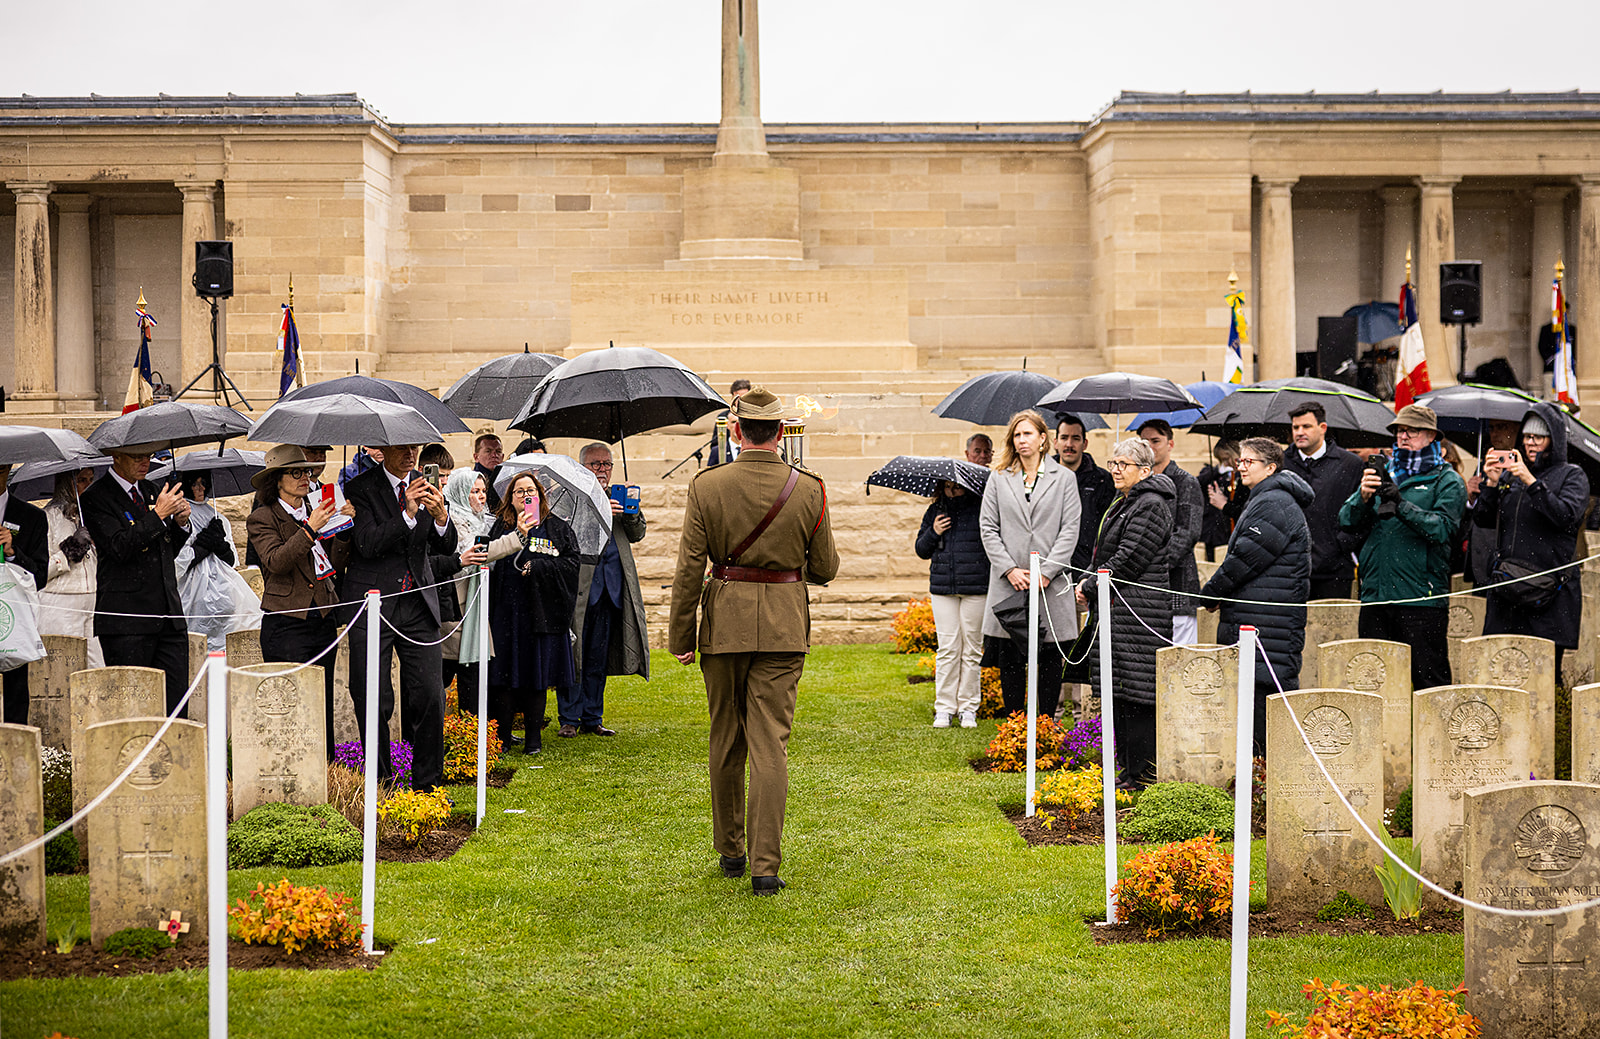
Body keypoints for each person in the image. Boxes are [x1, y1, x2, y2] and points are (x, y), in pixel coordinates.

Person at [668, 387, 838, 896]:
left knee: (726, 739)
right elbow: (825, 568)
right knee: (770, 746)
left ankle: (731, 851)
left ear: (736, 430)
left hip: (725, 624)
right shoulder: (809, 487)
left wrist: (681, 634)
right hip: (784, 626)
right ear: (781, 432)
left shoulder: (708, 485)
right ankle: (765, 866)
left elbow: (688, 568)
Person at [342, 442, 458, 791]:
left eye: (415, 447)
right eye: (403, 447)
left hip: (417, 603)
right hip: (372, 604)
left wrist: (441, 517)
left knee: (430, 694)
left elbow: (445, 545)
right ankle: (380, 784)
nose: (411, 454)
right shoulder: (360, 488)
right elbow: (367, 543)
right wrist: (407, 513)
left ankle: (427, 786)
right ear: (383, 448)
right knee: (373, 696)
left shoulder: (427, 484)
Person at [1338, 404, 1467, 692]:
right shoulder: (1383, 472)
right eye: (1399, 431)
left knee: (1429, 684)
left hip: (1421, 599)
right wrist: (1362, 496)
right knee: (1374, 685)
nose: (1403, 436)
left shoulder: (1447, 480)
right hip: (1376, 596)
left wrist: (1401, 505)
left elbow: (1442, 529)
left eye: (1412, 431)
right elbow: (1346, 520)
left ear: (1432, 436)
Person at [1197, 438, 1312, 751]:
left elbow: (1245, 558)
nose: (1241, 466)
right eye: (1241, 460)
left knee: (1263, 707)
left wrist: (1211, 594)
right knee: (1255, 702)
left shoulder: (1274, 502)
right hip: (1260, 617)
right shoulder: (1265, 497)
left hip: (1268, 623)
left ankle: (1263, 774)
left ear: (1270, 467)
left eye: (1250, 461)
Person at [1074, 438, 1175, 787]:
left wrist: (1090, 585)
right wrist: (1088, 579)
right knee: (1119, 692)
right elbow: (1102, 553)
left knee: (1138, 695)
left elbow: (1130, 558)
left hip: (1139, 613)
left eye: (1123, 464)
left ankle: (1143, 773)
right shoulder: (1124, 501)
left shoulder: (1151, 504)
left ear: (1144, 471)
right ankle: (1127, 770)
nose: (1115, 470)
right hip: (1118, 610)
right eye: (1113, 463)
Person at [248, 446, 352, 760]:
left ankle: (327, 770)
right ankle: (290, 769)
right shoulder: (262, 517)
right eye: (296, 472)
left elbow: (333, 563)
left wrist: (343, 529)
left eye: (306, 471)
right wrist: (310, 529)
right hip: (286, 622)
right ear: (277, 480)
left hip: (322, 617)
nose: (305, 477)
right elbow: (276, 561)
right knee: (290, 704)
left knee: (322, 700)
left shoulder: (316, 507)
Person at [1473, 404, 1591, 674]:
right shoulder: (1509, 475)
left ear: (1554, 439)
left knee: (1542, 676)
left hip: (1548, 592)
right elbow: (1483, 520)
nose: (1530, 443)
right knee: (1500, 671)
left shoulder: (1572, 475)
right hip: (1507, 589)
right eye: (1527, 436)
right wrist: (1491, 484)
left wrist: (1531, 482)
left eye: (1539, 437)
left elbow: (1566, 517)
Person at [978, 410, 1081, 720]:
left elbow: (1070, 529)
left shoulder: (1065, 478)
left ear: (1042, 439)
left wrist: (1046, 572)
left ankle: (1046, 725)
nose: (1022, 440)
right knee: (1010, 657)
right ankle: (1015, 726)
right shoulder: (999, 478)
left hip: (1050, 583)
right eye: (1017, 435)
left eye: (1028, 434)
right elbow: (988, 527)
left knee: (1049, 657)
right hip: (1009, 582)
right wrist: (1009, 569)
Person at [80, 446, 193, 716]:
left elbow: (164, 552)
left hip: (168, 616)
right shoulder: (96, 497)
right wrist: (158, 516)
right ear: (116, 456)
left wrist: (180, 524)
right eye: (136, 456)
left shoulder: (153, 491)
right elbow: (118, 547)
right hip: (127, 620)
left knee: (176, 706)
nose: (145, 462)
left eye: (148, 456)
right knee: (133, 711)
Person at [486, 472, 579, 756]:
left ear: (540, 495)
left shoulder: (557, 528)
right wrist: (518, 535)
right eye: (519, 491)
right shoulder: (501, 526)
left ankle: (533, 740)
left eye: (531, 491)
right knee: (504, 676)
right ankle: (502, 737)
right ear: (510, 498)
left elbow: (571, 564)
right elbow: (488, 558)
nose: (525, 496)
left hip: (542, 614)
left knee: (536, 677)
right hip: (506, 613)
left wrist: (539, 568)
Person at [568, 442, 649, 738]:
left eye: (607, 464)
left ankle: (593, 717)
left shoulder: (619, 496)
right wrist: (599, 511)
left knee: (597, 656)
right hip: (582, 588)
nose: (602, 470)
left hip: (611, 588)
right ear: (583, 467)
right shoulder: (574, 496)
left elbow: (637, 534)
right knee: (575, 652)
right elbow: (569, 535)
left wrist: (631, 511)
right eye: (596, 464)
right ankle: (569, 718)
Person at [914, 478, 987, 728]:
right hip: (943, 589)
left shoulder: (981, 509)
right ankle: (944, 708)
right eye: (947, 487)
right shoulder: (935, 511)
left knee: (972, 649)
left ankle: (968, 708)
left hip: (976, 588)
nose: (952, 491)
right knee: (947, 649)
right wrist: (934, 531)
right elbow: (921, 550)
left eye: (957, 486)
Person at [1280, 403, 1365, 600]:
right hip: (1289, 570)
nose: (1299, 432)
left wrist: (1343, 544)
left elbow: (1363, 510)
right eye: (1295, 427)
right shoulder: (1280, 463)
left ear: (1323, 428)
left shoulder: (1350, 464)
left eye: (1306, 426)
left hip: (1335, 571)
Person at [174, 469, 260, 652]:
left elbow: (232, 561)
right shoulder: (179, 517)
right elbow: (178, 563)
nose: (200, 488)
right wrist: (204, 545)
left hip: (223, 590)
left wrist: (220, 545)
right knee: (195, 645)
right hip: (192, 592)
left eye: (203, 483)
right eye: (194, 484)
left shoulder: (218, 518)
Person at [1137, 419, 1202, 645]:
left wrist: (1154, 567)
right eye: (1144, 442)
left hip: (1177, 585)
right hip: (1144, 592)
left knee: (1179, 656)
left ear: (1170, 444)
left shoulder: (1186, 482)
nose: (1149, 447)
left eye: (1155, 441)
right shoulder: (1137, 483)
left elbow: (1187, 533)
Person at [441, 468, 495, 719]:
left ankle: (472, 729)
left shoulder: (483, 520)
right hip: (455, 608)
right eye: (474, 491)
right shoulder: (454, 521)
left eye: (483, 491)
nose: (481, 496)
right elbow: (474, 556)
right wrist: (517, 538)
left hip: (476, 608)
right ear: (461, 493)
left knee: (472, 673)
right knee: (446, 671)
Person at [39, 467, 104, 669]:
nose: (88, 486)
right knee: (65, 668)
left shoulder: (90, 515)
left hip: (92, 601)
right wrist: (69, 550)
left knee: (97, 668)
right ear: (67, 484)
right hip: (61, 603)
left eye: (91, 480)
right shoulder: (48, 517)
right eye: (82, 480)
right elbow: (38, 570)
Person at [0, 464, 48, 724]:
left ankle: (15, 744)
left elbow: (39, 575)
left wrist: (12, 553)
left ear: (8, 468)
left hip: (13, 619)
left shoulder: (31, 517)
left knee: (16, 695)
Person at [1053, 414, 1116, 575]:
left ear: (1085, 444)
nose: (1069, 444)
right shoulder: (1042, 477)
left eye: (1075, 438)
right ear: (1055, 443)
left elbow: (1109, 529)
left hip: (1086, 568)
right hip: (1050, 565)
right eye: (1064, 438)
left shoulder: (1103, 480)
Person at [1464, 419, 1521, 587]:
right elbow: (1479, 514)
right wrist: (1471, 498)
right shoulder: (1486, 463)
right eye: (1492, 428)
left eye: (1502, 427)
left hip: (1507, 562)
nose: (1495, 434)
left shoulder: (1522, 467)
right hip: (1481, 558)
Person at [1198, 440, 1245, 562]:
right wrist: (1217, 471)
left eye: (1226, 459)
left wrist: (1224, 504)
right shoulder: (1214, 474)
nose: (1226, 464)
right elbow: (1199, 481)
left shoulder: (1243, 478)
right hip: (1213, 530)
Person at [708, 379, 753, 466]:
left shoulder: (754, 417)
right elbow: (715, 443)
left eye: (744, 397)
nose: (741, 401)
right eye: (738, 397)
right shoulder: (723, 417)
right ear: (733, 397)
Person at [472, 432, 505, 513]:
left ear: (503, 456)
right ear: (476, 457)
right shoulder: (471, 481)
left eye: (498, 451)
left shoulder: (507, 478)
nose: (494, 455)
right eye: (488, 451)